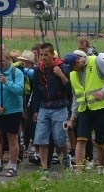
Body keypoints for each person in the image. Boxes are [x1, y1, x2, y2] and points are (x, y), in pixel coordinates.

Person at [64, 49, 104, 173]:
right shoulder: (73, 73)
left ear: (79, 61)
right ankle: (79, 171)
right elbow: (77, 97)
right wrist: (73, 117)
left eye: (74, 67)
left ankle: (101, 168)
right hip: (85, 109)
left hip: (103, 107)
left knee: (100, 142)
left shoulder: (96, 62)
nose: (73, 70)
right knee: (81, 139)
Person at [30, 43, 72, 174]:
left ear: (52, 55)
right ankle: (44, 167)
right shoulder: (38, 70)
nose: (43, 57)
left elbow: (70, 90)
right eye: (41, 55)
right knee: (41, 138)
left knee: (60, 138)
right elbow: (35, 91)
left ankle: (66, 156)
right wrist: (35, 110)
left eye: (46, 55)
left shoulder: (62, 67)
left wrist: (61, 75)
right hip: (43, 106)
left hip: (59, 107)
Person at [0, 50, 25, 177]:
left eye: (3, 60)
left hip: (13, 111)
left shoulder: (16, 73)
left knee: (12, 139)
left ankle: (13, 166)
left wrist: (7, 82)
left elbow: (19, 90)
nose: (1, 63)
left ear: (9, 60)